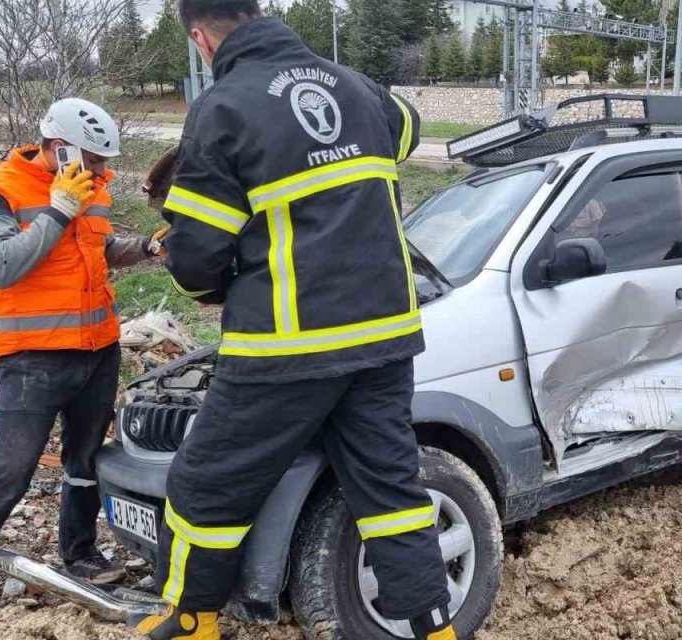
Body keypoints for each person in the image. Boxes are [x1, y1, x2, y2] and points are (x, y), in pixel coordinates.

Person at [132, 2, 453, 640]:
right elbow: (407, 130)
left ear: (201, 39)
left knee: (207, 484)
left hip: (284, 347)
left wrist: (207, 275)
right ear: (259, 12)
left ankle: (191, 618)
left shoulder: (222, 109)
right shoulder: (361, 88)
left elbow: (197, 259)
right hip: (384, 338)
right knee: (391, 490)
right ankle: (432, 628)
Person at [0, 98, 164, 625]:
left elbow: (99, 248)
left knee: (86, 461)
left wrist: (146, 247)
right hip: (32, 358)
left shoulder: (88, 190)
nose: (100, 171)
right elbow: (1, 268)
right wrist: (58, 209)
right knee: (11, 469)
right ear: (59, 146)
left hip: (97, 348)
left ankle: (81, 554)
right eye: (91, 159)